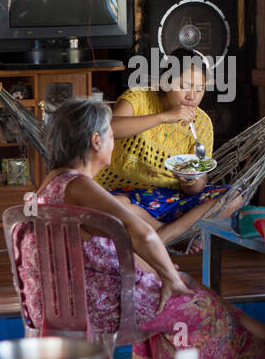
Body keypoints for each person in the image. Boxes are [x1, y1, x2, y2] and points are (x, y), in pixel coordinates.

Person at [15, 98, 265, 359]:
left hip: (55, 305)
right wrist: (169, 277)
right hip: (96, 308)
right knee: (199, 305)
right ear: (96, 141)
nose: (114, 142)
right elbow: (142, 234)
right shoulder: (78, 185)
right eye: (110, 134)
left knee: (191, 291)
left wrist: (160, 269)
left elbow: (98, 249)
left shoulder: (49, 187)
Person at [95, 48, 242, 245]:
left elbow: (196, 189)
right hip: (126, 194)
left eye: (200, 89)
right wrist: (164, 117)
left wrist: (190, 180)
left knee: (233, 198)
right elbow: (110, 129)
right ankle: (175, 236)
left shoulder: (202, 123)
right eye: (184, 86)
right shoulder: (139, 98)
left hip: (171, 200)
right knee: (112, 207)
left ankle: (162, 238)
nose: (192, 96)